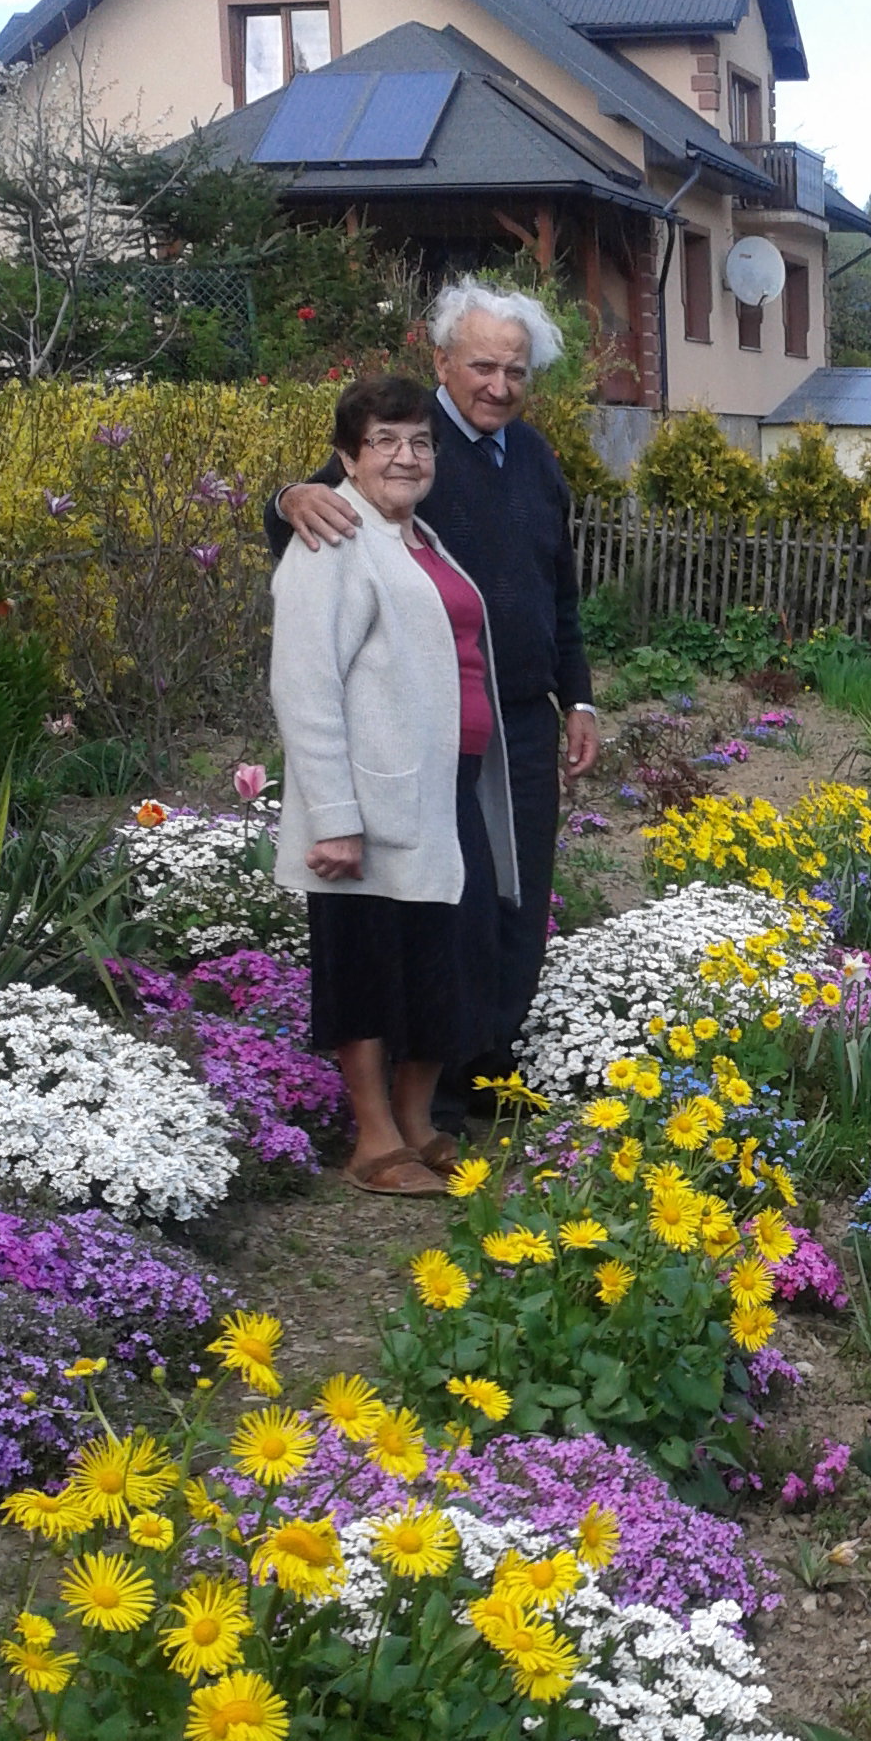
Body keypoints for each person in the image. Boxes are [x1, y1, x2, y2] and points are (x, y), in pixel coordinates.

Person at [265, 280, 597, 1112]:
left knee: (516, 908)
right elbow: (312, 515)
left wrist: (579, 699)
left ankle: (485, 1067)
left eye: (515, 370)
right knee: (450, 909)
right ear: (443, 360)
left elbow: (559, 592)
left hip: (519, 720)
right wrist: (286, 497)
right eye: (482, 364)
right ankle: (433, 1091)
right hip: (425, 729)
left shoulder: (534, 457)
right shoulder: (406, 449)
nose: (499, 384)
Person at [271, 373, 518, 1197]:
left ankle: (418, 1122)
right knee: (368, 966)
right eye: (384, 442)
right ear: (348, 456)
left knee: (443, 958)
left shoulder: (419, 537)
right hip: (370, 802)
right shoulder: (334, 538)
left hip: (445, 787)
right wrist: (333, 818)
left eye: (419, 442)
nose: (405, 457)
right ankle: (372, 1140)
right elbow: (305, 688)